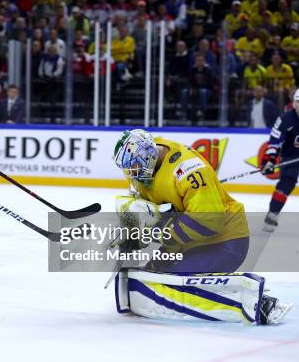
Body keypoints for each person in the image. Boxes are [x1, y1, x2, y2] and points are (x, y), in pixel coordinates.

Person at [112, 129, 291, 324]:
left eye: (135, 166)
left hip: (225, 242)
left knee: (174, 287)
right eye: (128, 169)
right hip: (186, 243)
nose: (131, 174)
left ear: (148, 154)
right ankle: (222, 289)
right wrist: (133, 235)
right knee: (150, 280)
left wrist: (157, 233)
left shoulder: (189, 169)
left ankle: (256, 303)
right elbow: (144, 208)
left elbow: (209, 221)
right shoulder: (143, 163)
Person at [260, 88, 299, 232]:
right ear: (294, 103)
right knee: (286, 183)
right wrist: (270, 160)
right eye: (298, 102)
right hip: (291, 157)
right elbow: (274, 141)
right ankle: (272, 214)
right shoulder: (284, 119)